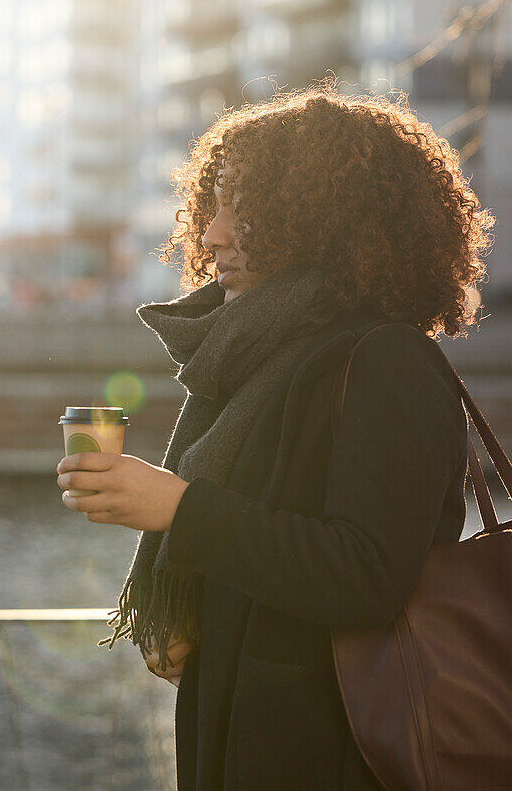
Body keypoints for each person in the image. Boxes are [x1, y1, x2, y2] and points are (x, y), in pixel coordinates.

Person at [55, 80, 495, 790]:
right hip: (252, 742)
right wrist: (190, 612)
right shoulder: (261, 357)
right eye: (216, 203)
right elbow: (271, 552)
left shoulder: (386, 360)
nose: (212, 233)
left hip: (346, 752)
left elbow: (363, 577)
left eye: (245, 208)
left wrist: (177, 510)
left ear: (323, 218)